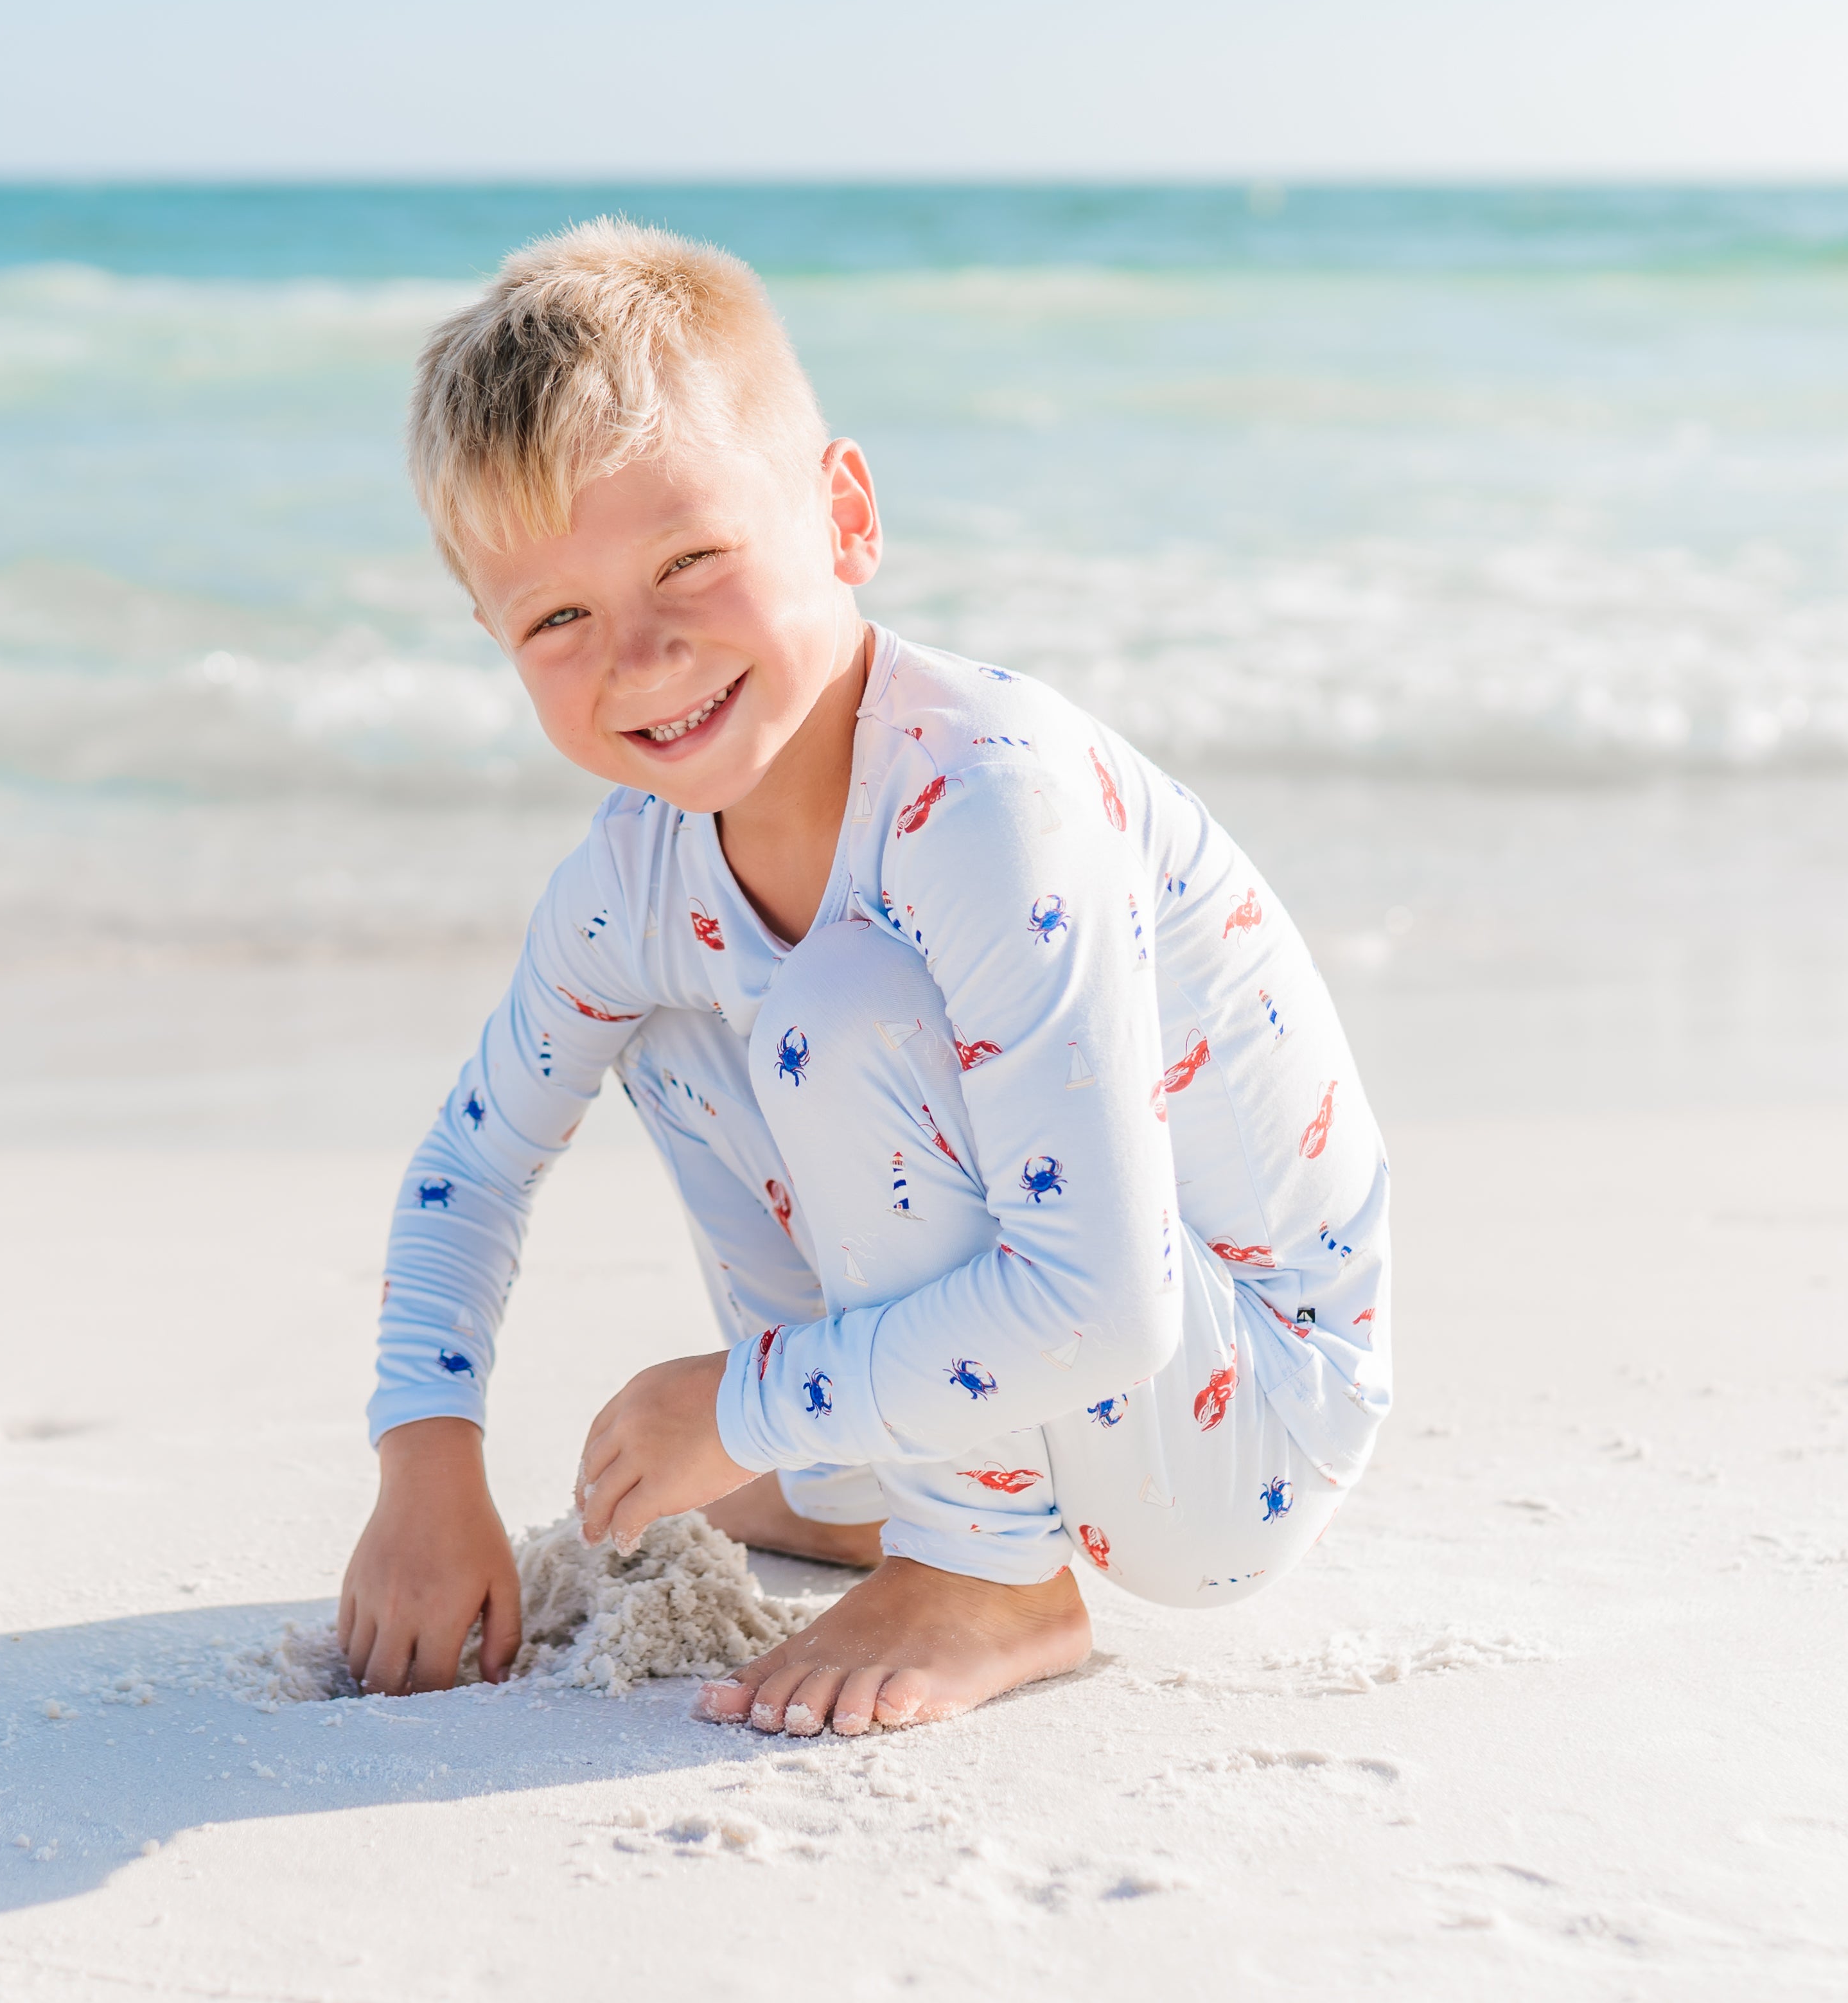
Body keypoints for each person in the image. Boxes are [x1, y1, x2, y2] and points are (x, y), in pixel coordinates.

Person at [337, 220, 1391, 1736]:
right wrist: (424, 1466)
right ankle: (875, 1494)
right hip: (1051, 1362)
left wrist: (738, 1408)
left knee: (839, 1008)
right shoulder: (635, 873)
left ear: (842, 514)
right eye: (557, 619)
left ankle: (991, 1573)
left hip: (1242, 1411)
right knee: (684, 1026)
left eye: (692, 558)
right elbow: (472, 1162)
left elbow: (1105, 1305)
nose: (639, 655)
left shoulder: (987, 800)